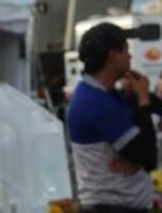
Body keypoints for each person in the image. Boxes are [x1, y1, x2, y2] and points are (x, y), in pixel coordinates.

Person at [67, 22, 158, 212]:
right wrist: (142, 99)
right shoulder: (95, 101)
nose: (130, 56)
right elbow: (147, 154)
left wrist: (140, 95)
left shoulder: (105, 95)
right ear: (112, 55)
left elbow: (146, 157)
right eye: (126, 50)